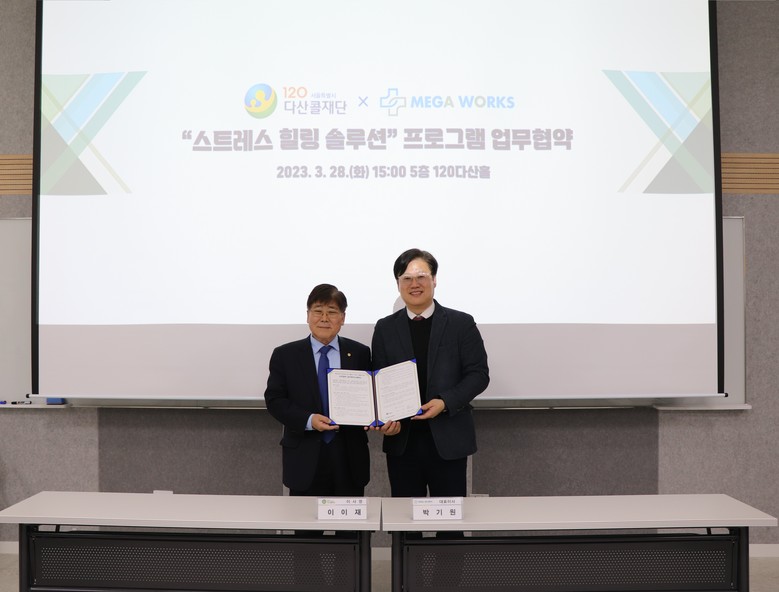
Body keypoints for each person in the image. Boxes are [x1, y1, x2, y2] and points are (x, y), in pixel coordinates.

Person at [372, 249, 490, 498]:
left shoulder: (461, 324)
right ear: (398, 284)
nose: (414, 284)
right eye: (406, 278)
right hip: (402, 441)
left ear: (434, 280)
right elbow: (379, 382)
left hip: (449, 439)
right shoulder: (385, 328)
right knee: (403, 518)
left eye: (421, 277)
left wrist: (445, 402)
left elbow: (478, 374)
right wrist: (384, 420)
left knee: (449, 518)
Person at [264, 284, 371, 496]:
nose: (324, 318)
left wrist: (372, 417)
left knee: (350, 518)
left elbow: (370, 396)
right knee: (305, 519)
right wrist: (309, 420)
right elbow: (275, 400)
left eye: (332, 312)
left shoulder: (359, 353)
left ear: (343, 318)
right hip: (304, 455)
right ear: (307, 315)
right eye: (318, 311)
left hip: (349, 456)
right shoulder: (286, 355)